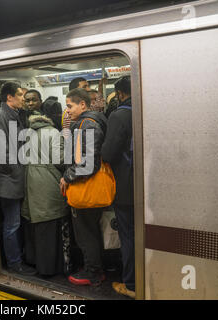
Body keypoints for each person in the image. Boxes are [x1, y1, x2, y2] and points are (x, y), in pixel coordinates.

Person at [0, 82, 37, 276]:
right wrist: (18, 169)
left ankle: (20, 257)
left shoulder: (16, 115)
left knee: (17, 222)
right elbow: (0, 153)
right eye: (19, 95)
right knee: (12, 224)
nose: (23, 98)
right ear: (9, 97)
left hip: (18, 178)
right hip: (8, 181)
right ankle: (14, 263)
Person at [59, 88, 107, 286]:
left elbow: (88, 164)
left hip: (85, 187)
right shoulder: (89, 122)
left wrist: (67, 177)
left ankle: (93, 273)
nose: (67, 110)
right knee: (90, 232)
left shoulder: (87, 125)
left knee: (85, 234)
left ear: (83, 105)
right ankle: (93, 267)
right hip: (88, 187)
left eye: (70, 106)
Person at [21, 112, 69, 276]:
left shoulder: (28, 132)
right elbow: (60, 160)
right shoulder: (53, 133)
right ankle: (50, 269)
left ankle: (35, 262)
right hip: (48, 185)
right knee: (51, 228)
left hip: (31, 184)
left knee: (37, 228)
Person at [101, 76, 135, 298]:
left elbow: (107, 153)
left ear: (120, 94)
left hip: (126, 187)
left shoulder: (120, 114)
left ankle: (131, 284)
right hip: (147, 185)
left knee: (128, 235)